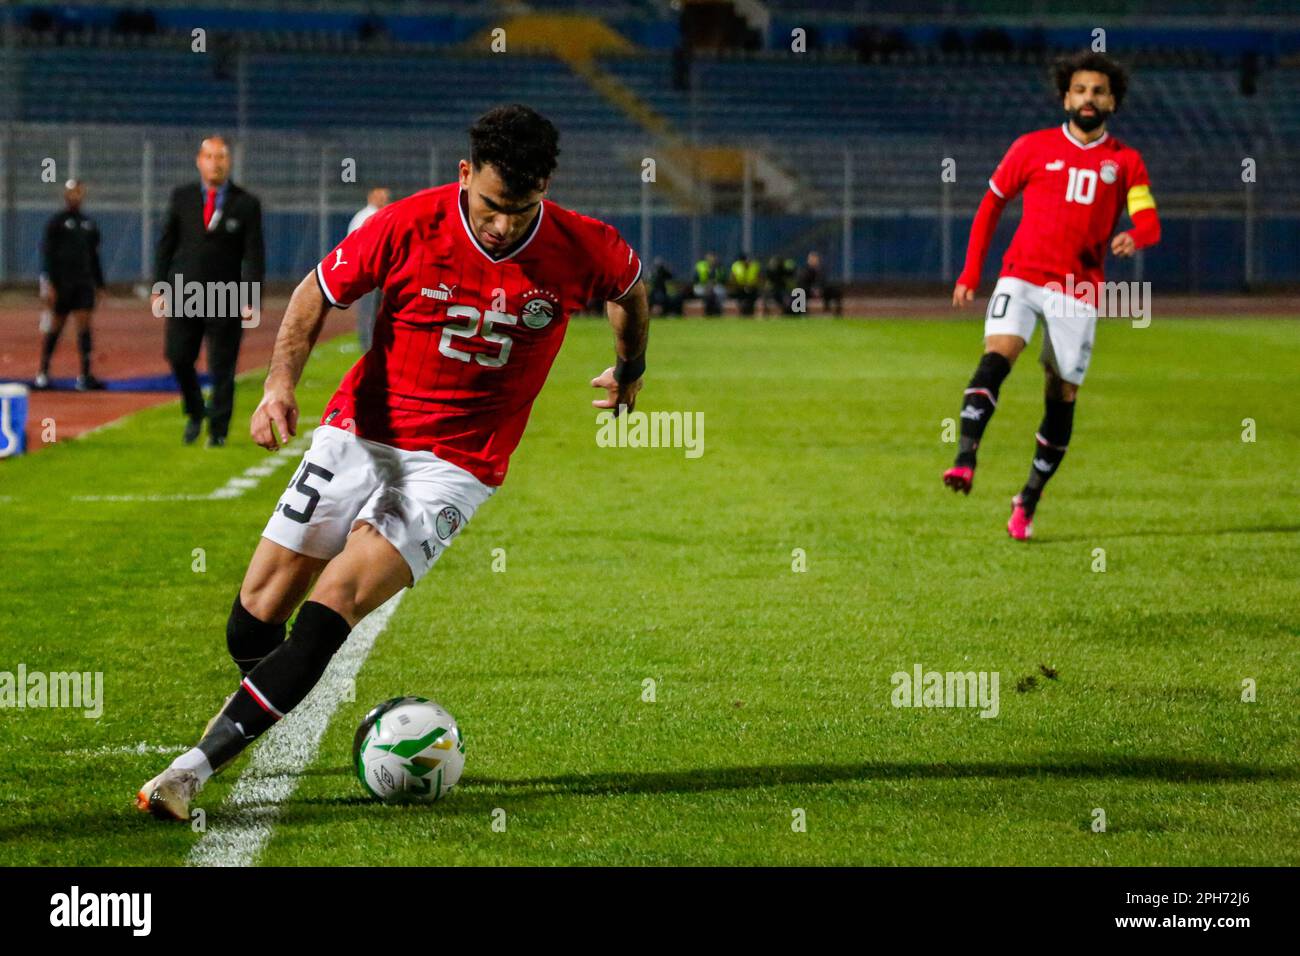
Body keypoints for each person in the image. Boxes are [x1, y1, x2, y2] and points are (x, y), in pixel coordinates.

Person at [136, 104, 649, 821]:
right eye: (493, 207)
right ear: (466, 175)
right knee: (251, 624)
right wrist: (281, 385)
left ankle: (191, 771)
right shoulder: (409, 223)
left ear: (547, 187)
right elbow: (317, 291)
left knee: (333, 605)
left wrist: (631, 366)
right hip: (358, 433)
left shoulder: (581, 243)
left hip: (456, 465)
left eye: (521, 209)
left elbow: (628, 289)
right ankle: (288, 693)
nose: (504, 226)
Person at [944, 51, 1161, 540]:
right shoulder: (1032, 147)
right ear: (1066, 96)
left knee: (1061, 395)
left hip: (1078, 289)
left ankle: (1028, 500)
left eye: (1099, 91)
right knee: (997, 356)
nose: (1089, 98)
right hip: (1020, 275)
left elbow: (1148, 219)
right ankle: (965, 457)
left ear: (1113, 102)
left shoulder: (1125, 161)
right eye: (1081, 90)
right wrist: (971, 270)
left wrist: (1137, 236)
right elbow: (991, 204)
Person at [155, 135, 266, 447]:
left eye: (221, 157)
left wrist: (250, 297)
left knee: (222, 366)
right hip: (184, 293)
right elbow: (166, 244)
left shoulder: (246, 203)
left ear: (229, 162)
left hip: (227, 296)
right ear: (199, 160)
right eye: (209, 157)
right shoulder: (182, 197)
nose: (215, 163)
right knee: (177, 356)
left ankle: (218, 431)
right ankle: (194, 409)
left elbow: (254, 253)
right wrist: (159, 286)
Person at [35, 179, 107, 391]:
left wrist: (100, 284)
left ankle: (85, 375)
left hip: (83, 283)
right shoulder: (56, 223)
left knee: (84, 326)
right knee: (56, 326)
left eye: (78, 192)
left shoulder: (89, 225)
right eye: (71, 192)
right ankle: (43, 372)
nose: (75, 196)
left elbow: (94, 257)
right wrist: (48, 284)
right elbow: (48, 255)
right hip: (61, 283)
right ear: (65, 195)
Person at [347, 186, 391, 351]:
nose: (384, 199)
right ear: (371, 197)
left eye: (385, 196)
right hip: (369, 272)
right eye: (381, 196)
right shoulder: (366, 217)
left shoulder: (381, 215)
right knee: (368, 311)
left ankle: (372, 343)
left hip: (379, 272)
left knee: (375, 311)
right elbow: (355, 244)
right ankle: (367, 345)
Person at [795, 251, 842, 315]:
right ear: (808, 260)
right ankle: (802, 312)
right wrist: (812, 290)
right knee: (799, 291)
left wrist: (819, 289)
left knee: (835, 290)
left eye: (815, 259)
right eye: (812, 259)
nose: (813, 261)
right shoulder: (804, 270)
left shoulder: (821, 269)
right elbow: (802, 283)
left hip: (821, 290)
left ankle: (831, 310)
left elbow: (823, 282)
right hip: (808, 290)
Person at [693, 252, 725, 316]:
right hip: (701, 286)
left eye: (713, 258)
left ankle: (718, 310)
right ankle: (707, 311)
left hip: (715, 287)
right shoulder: (700, 265)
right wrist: (707, 286)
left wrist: (712, 285)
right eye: (710, 257)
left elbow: (723, 279)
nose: (712, 259)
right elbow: (695, 279)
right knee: (706, 292)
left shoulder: (719, 267)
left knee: (720, 292)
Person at [728, 251, 760, 316]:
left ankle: (751, 314)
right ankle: (741, 313)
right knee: (740, 300)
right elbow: (732, 279)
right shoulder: (736, 266)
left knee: (752, 299)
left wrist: (751, 286)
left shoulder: (755, 266)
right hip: (739, 288)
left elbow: (759, 278)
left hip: (752, 287)